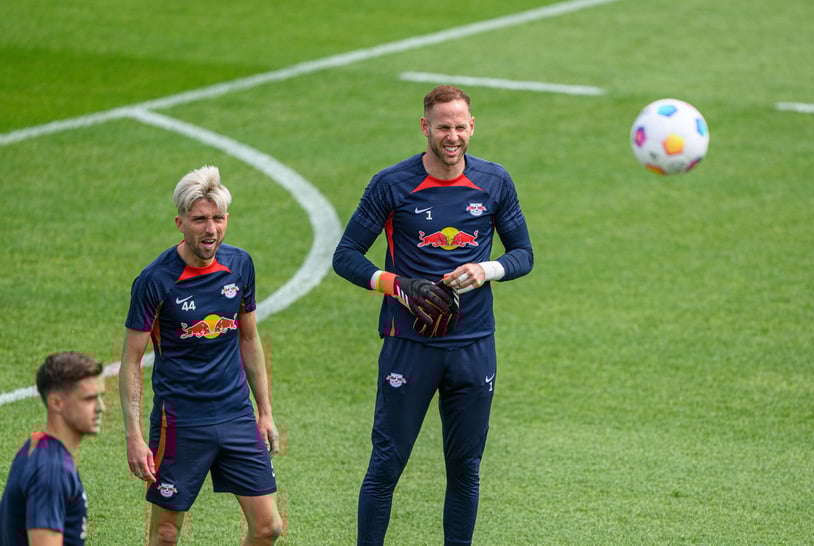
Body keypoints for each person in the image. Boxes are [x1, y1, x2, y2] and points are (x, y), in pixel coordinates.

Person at [333, 84, 534, 545]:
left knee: (466, 468)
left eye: (461, 127)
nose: (453, 136)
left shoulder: (495, 181)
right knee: (386, 466)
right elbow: (346, 256)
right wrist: (397, 285)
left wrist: (487, 269)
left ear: (472, 127)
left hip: (473, 347)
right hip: (409, 346)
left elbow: (524, 253)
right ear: (426, 127)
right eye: (443, 127)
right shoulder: (392, 184)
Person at [119, 166, 283, 545]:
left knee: (268, 527)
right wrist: (133, 436)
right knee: (164, 534)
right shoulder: (155, 281)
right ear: (180, 222)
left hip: (236, 414)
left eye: (217, 218)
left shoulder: (239, 265)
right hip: (180, 422)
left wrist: (266, 411)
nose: (210, 230)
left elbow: (249, 339)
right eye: (199, 220)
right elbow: (131, 361)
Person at [1, 352, 104, 545]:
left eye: (100, 397)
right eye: (89, 399)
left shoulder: (36, 446)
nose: (101, 407)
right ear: (56, 403)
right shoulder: (52, 469)